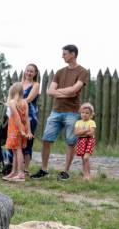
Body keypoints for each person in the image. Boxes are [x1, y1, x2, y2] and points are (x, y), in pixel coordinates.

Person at [31, 44, 89, 181]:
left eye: (65, 53)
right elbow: (49, 91)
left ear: (73, 54)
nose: (62, 56)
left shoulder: (82, 71)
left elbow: (75, 89)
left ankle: (65, 171)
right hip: (56, 111)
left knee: (70, 142)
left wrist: (61, 92)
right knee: (46, 139)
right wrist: (67, 93)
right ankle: (44, 169)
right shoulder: (59, 72)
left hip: (73, 112)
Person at [3, 83, 33, 182]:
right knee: (15, 150)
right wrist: (28, 131)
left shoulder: (12, 102)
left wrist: (20, 130)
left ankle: (20, 173)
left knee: (18, 150)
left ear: (12, 92)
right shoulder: (25, 102)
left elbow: (16, 117)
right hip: (22, 128)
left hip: (15, 128)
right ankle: (14, 172)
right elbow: (27, 118)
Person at [22, 64, 40, 174]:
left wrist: (16, 104)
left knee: (28, 141)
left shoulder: (36, 85)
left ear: (35, 73)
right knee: (16, 139)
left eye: (31, 71)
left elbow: (28, 99)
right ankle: (15, 165)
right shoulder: (19, 84)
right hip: (17, 114)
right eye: (27, 71)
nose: (29, 73)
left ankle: (26, 168)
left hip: (30, 115)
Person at [74, 103, 96, 181]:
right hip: (81, 141)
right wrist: (86, 130)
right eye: (83, 112)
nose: (85, 114)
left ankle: (88, 175)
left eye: (87, 113)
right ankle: (85, 174)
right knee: (83, 159)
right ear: (80, 113)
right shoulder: (78, 122)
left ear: (91, 114)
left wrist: (81, 131)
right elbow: (76, 133)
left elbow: (91, 133)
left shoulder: (91, 122)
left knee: (86, 157)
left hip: (89, 140)